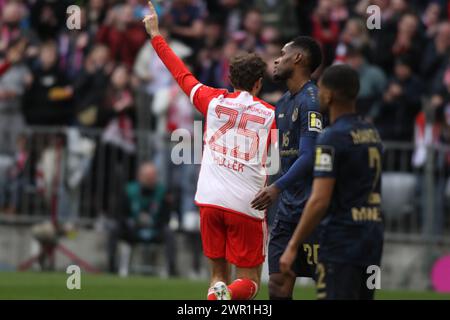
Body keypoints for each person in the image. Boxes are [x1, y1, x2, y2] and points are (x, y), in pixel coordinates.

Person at [143, 1, 276, 300]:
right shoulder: (271, 114)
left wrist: (156, 36)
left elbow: (181, 74)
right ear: (258, 83)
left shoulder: (212, 101)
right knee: (251, 282)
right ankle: (219, 300)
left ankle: (215, 297)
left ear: (230, 80)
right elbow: (279, 155)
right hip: (247, 205)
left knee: (218, 277)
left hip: (209, 199)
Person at [280, 65, 384, 300]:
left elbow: (319, 200)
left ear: (328, 95)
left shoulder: (331, 137)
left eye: (320, 90)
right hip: (371, 238)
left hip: (341, 241)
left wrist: (293, 245)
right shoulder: (371, 133)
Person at [251, 36, 323, 300]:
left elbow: (309, 154)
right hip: (287, 210)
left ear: (298, 58)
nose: (277, 59)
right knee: (278, 283)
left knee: (327, 285)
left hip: (314, 209)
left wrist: (275, 188)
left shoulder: (313, 101)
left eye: (283, 53)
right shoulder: (283, 103)